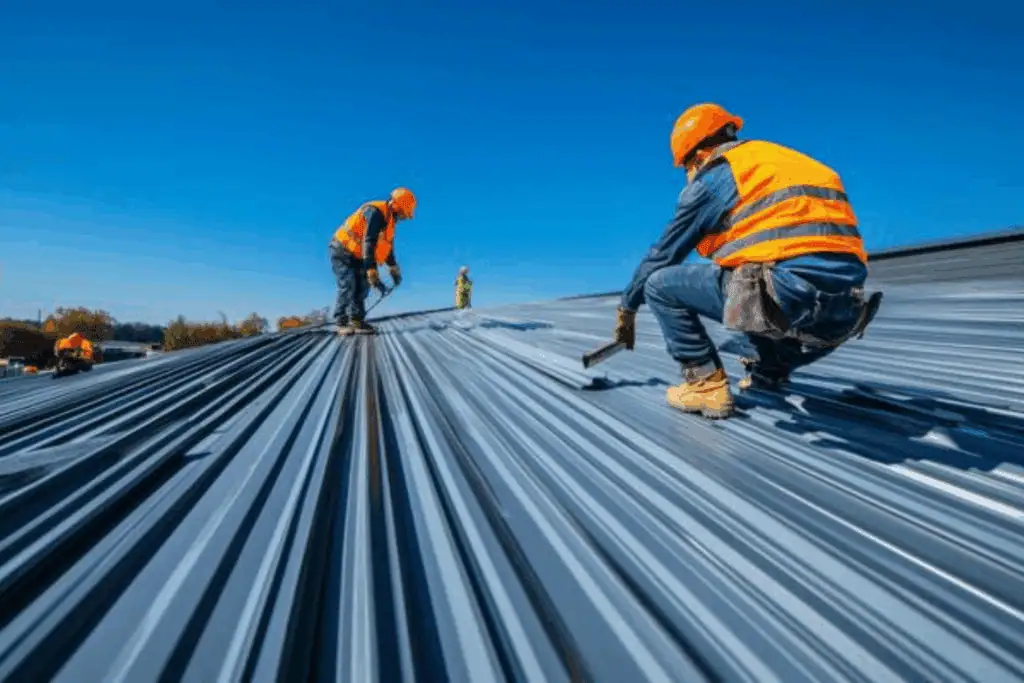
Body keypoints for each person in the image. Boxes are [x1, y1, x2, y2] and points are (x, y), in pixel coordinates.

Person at [614, 103, 882, 419]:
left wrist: (627, 308)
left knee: (661, 285)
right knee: (748, 276)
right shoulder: (788, 163)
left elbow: (662, 256)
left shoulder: (717, 177)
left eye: (686, 166)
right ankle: (770, 372)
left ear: (697, 154)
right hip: (845, 311)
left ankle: (705, 386)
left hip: (787, 297)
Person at [329, 187, 417, 335]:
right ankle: (341, 321)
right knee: (348, 284)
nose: (401, 218)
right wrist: (371, 268)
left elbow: (388, 249)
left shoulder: (390, 223)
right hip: (342, 249)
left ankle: (357, 320)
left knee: (362, 285)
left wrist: (393, 268)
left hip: (358, 254)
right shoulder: (375, 212)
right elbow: (369, 241)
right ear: (395, 205)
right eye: (402, 214)